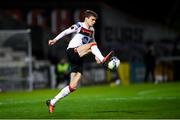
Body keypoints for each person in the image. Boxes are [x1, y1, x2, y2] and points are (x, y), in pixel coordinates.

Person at [46, 10, 112, 113]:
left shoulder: (92, 30)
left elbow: (93, 42)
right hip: (72, 50)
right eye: (92, 19)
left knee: (73, 86)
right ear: (86, 18)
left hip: (80, 56)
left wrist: (95, 56)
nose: (94, 22)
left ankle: (52, 102)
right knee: (92, 46)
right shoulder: (79, 25)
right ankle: (103, 59)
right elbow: (66, 31)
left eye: (95, 20)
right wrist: (55, 40)